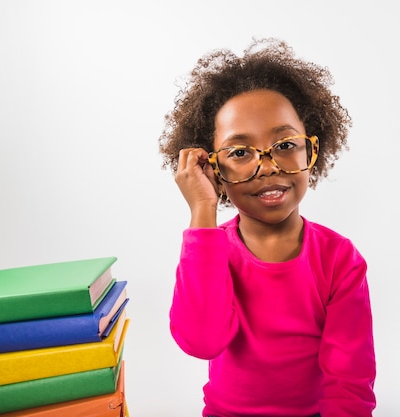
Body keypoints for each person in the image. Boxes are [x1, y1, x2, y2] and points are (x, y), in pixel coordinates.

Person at [159, 38, 376, 417]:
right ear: (213, 168)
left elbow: (349, 383)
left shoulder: (340, 258)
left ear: (311, 150)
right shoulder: (209, 250)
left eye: (285, 144)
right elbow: (201, 341)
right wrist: (202, 209)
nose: (268, 166)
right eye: (240, 152)